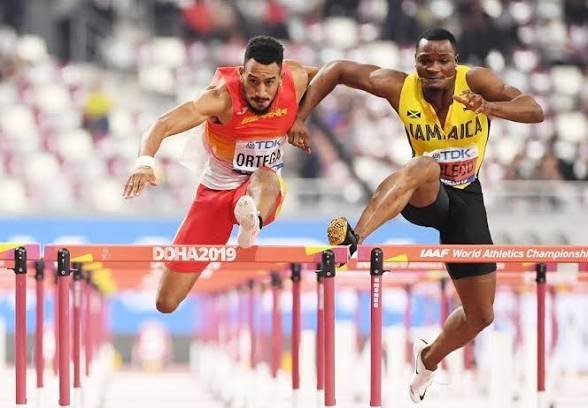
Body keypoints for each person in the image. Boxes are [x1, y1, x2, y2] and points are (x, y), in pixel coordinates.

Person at [287, 28, 543, 403]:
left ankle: (428, 360)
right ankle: (353, 239)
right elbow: (338, 69)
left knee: (481, 315)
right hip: (425, 195)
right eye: (425, 61)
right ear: (415, 63)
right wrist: (300, 118)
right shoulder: (400, 87)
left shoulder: (477, 81)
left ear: (456, 63)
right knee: (424, 165)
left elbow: (534, 110)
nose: (434, 68)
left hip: (466, 200)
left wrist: (489, 107)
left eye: (443, 60)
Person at [123, 36, 317, 314]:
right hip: (215, 191)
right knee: (166, 303)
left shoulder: (297, 77)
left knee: (265, 175)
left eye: (269, 82)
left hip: (261, 190)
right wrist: (144, 162)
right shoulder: (220, 98)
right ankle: (245, 214)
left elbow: (333, 74)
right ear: (241, 73)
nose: (261, 91)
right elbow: (162, 124)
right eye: (253, 81)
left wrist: (300, 117)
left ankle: (252, 222)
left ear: (281, 76)